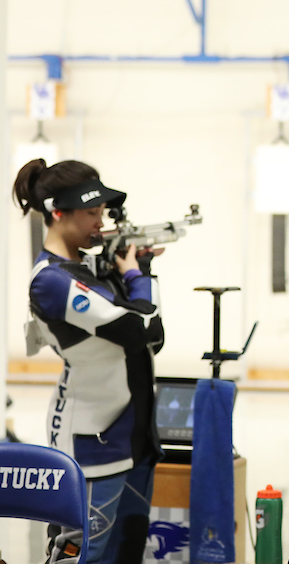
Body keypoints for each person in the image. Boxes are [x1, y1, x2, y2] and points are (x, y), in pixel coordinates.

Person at [14, 159, 165, 564]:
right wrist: (138, 276)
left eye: (102, 212)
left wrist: (137, 274)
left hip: (131, 434)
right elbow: (142, 327)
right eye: (91, 213)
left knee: (127, 550)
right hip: (92, 443)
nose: (101, 223)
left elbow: (153, 338)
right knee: (81, 556)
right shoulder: (51, 280)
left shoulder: (88, 269)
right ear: (57, 213)